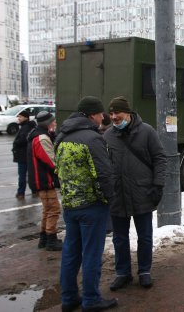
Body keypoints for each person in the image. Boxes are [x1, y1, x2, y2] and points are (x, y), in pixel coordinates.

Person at [55, 96, 117, 312]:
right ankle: (91, 300)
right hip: (91, 206)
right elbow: (104, 174)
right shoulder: (92, 138)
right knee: (91, 253)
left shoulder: (62, 136)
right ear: (92, 115)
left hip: (70, 205)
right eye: (101, 114)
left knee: (71, 252)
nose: (103, 118)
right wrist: (109, 199)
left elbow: (58, 171)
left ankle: (69, 298)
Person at [103, 96, 167, 290]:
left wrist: (158, 185)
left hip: (142, 192)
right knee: (119, 238)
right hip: (118, 194)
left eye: (117, 113)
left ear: (128, 113)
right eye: (111, 113)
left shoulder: (147, 132)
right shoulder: (107, 135)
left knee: (145, 236)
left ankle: (144, 271)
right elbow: (104, 165)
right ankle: (123, 273)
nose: (114, 117)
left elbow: (160, 159)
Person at [27, 111, 62, 251]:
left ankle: (44, 238)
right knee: (54, 209)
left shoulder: (37, 135)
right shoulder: (41, 138)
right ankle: (51, 239)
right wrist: (61, 173)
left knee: (47, 210)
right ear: (47, 123)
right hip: (45, 180)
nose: (55, 123)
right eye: (53, 121)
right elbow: (51, 161)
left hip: (40, 180)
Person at [12, 110, 33, 199]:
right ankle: (34, 190)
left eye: (20, 116)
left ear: (25, 118)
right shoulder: (28, 126)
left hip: (23, 155)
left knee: (22, 175)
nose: (18, 118)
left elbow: (23, 140)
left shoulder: (25, 127)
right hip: (27, 154)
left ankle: (21, 193)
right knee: (31, 174)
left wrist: (16, 142)